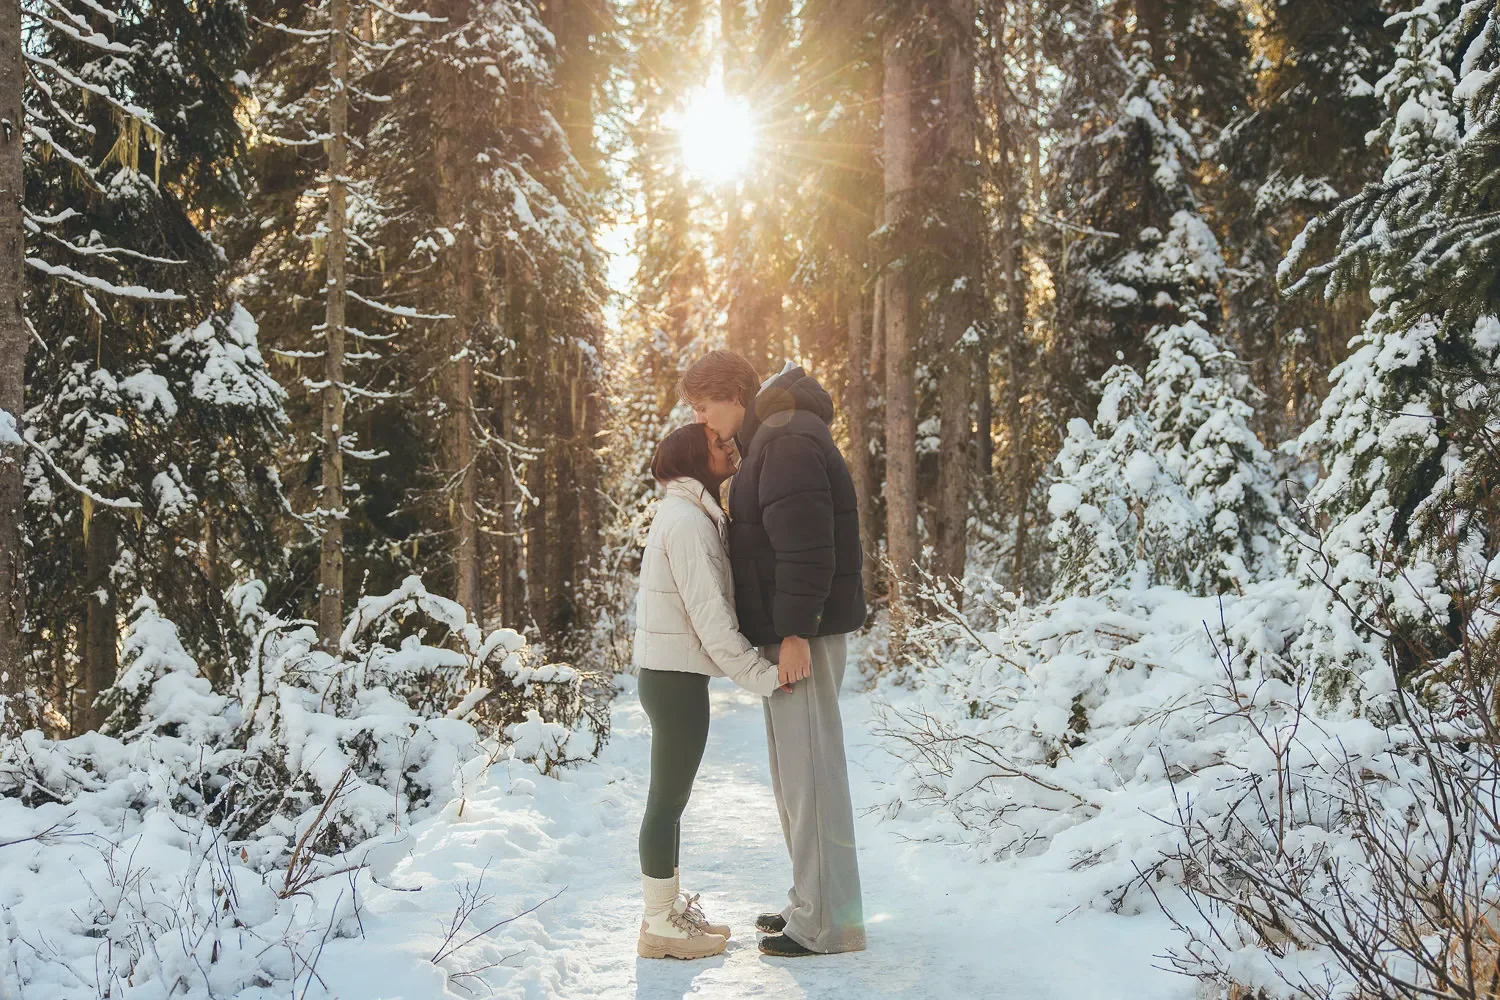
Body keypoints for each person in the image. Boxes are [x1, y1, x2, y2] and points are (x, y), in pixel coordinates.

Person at [679, 349, 868, 957]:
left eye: (705, 407)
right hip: (793, 632)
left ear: (733, 396)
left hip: (800, 636)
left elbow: (807, 544)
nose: (704, 422)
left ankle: (829, 924)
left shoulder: (784, 438)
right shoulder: (771, 437)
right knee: (796, 775)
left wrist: (793, 631)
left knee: (811, 772)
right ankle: (809, 904)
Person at [632, 422, 812, 961]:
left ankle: (668, 913)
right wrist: (764, 674)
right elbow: (710, 616)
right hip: (672, 680)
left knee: (672, 799)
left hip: (673, 675)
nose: (728, 445)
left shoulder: (691, 514)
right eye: (717, 443)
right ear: (694, 459)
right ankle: (659, 923)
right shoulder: (686, 521)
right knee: (666, 800)